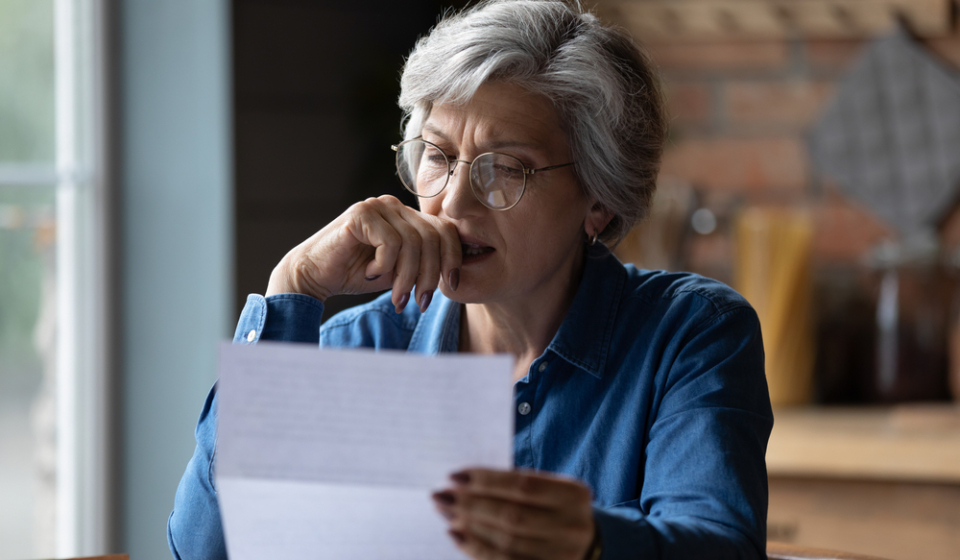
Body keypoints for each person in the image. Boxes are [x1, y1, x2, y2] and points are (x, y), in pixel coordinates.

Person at [167, 1, 773, 559]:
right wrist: (292, 288)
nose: (453, 203)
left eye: (504, 169)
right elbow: (204, 550)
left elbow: (720, 545)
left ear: (599, 200)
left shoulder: (690, 333)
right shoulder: (362, 347)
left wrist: (591, 543)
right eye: (436, 155)